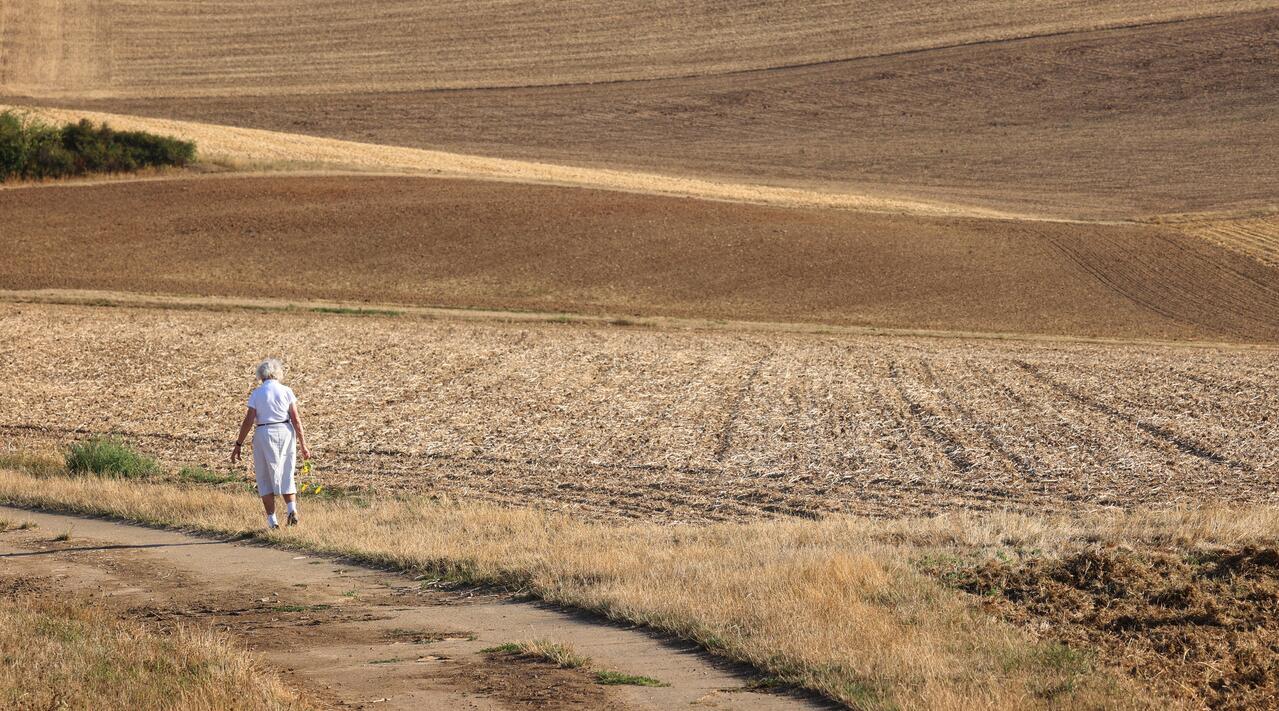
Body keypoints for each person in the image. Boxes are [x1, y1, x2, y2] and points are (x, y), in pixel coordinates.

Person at [230, 358, 311, 529]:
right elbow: (296, 419)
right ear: (278, 373)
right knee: (287, 470)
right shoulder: (286, 391)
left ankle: (272, 521)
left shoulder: (257, 393)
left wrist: (239, 443)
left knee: (264, 475)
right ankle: (291, 509)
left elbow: (248, 420)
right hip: (285, 431)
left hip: (264, 432)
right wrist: (303, 443)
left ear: (261, 375)